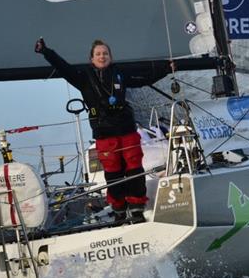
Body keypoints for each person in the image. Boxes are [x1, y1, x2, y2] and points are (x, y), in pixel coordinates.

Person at [35, 37, 173, 223]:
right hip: (104, 133)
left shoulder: (119, 74)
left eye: (105, 54)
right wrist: (46, 52)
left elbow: (142, 79)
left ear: (110, 57)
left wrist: (166, 69)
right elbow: (63, 67)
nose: (102, 56)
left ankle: (137, 207)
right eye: (98, 54)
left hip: (126, 129)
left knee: (134, 169)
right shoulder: (83, 78)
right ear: (92, 58)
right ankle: (119, 209)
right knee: (113, 172)